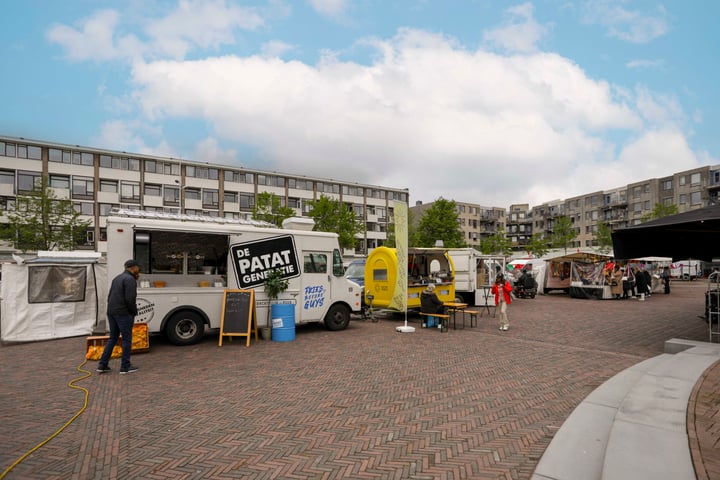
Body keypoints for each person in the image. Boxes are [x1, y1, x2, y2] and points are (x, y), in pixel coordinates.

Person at [97, 259, 141, 375]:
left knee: (113, 338)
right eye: (137, 267)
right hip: (123, 313)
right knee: (127, 339)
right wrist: (133, 312)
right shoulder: (130, 279)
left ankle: (103, 364)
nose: (139, 270)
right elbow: (130, 299)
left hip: (111, 311)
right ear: (133, 268)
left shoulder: (117, 278)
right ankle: (125, 366)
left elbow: (110, 296)